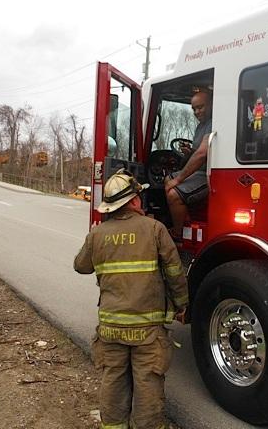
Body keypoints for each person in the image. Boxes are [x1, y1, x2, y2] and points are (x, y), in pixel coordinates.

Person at [74, 169, 188, 429]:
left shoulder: (98, 234)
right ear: (135, 201)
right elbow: (174, 274)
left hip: (110, 329)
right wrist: (181, 305)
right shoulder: (156, 229)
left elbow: (81, 266)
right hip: (147, 331)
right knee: (148, 382)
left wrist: (92, 238)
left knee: (113, 379)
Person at [164, 90, 213, 239]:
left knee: (173, 194)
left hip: (209, 174)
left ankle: (179, 234)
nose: (197, 112)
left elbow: (202, 154)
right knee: (167, 179)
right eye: (194, 109)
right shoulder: (201, 126)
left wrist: (178, 180)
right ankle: (186, 221)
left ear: (211, 104)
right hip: (200, 171)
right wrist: (190, 151)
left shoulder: (215, 122)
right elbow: (198, 152)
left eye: (201, 107)